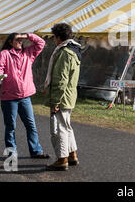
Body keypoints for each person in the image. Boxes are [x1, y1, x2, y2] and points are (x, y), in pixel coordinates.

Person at [0, 33, 50, 159]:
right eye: (17, 40)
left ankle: (36, 151)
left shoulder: (28, 53)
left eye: (21, 40)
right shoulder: (5, 54)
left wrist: (27, 35)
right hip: (9, 97)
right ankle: (11, 154)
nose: (20, 42)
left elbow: (41, 43)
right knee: (11, 126)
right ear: (11, 42)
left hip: (25, 96)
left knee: (31, 125)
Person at [45, 23, 82, 171]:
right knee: (66, 127)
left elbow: (61, 79)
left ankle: (62, 159)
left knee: (59, 128)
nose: (54, 40)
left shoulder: (64, 52)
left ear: (59, 37)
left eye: (54, 37)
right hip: (70, 95)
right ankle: (72, 155)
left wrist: (55, 101)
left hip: (62, 97)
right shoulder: (74, 50)